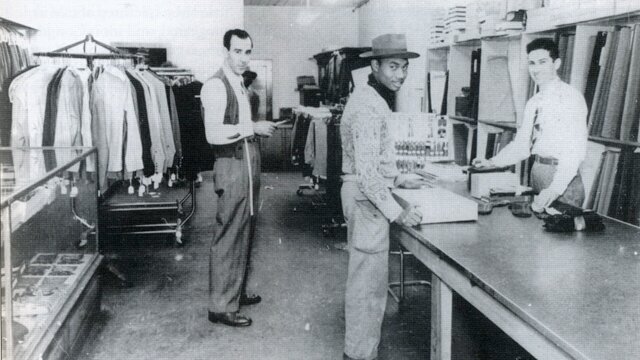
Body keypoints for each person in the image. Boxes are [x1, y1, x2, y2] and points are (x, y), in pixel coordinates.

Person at [340, 33, 429, 360]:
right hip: (366, 199)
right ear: (374, 65)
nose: (400, 74)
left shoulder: (371, 97)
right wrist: (398, 212)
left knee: (368, 282)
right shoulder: (368, 105)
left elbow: (374, 159)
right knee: (367, 288)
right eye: (393, 66)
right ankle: (359, 355)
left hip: (365, 195)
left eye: (404, 67)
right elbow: (366, 172)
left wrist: (398, 177)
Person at [201, 29, 276, 327]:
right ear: (226, 51)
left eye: (248, 52)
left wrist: (253, 128)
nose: (243, 58)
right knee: (230, 232)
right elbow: (213, 134)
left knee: (246, 227)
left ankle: (234, 292)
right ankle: (220, 306)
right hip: (231, 164)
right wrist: (252, 128)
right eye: (237, 51)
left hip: (247, 161)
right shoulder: (216, 86)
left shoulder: (239, 83)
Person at [473, 38, 588, 212]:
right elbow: (522, 145)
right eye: (532, 63)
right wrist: (492, 162)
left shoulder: (571, 98)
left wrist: (555, 189)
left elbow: (574, 152)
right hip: (538, 172)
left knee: (560, 236)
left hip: (563, 180)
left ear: (556, 64)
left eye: (543, 62)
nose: (536, 69)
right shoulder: (534, 102)